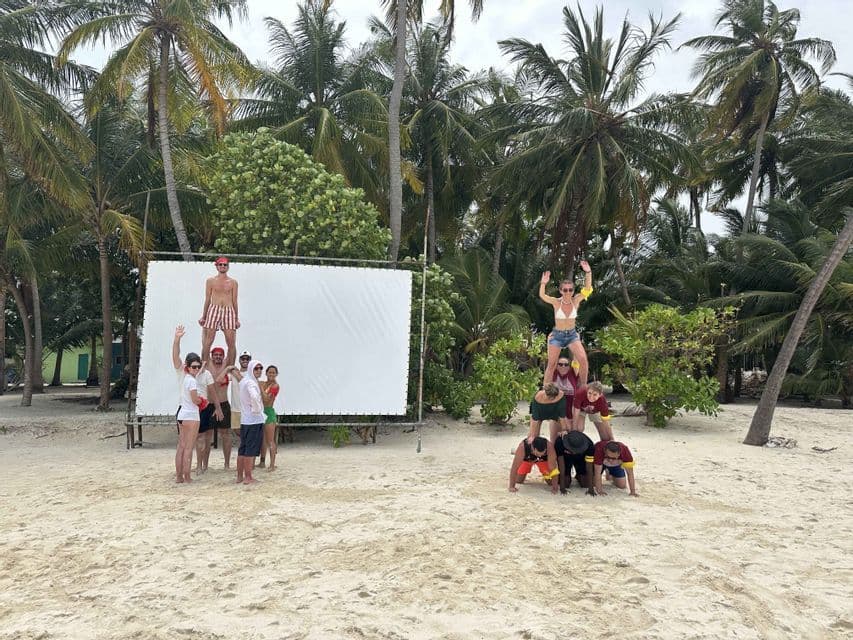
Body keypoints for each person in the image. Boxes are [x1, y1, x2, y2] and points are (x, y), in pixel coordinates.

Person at [539, 260, 593, 386]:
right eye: (565, 290)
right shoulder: (556, 302)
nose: (568, 292)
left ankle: (582, 388)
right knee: (552, 365)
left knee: (583, 361)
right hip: (557, 335)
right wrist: (543, 283)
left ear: (573, 291)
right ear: (561, 291)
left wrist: (588, 272)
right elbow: (542, 296)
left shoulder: (576, 300)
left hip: (572, 335)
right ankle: (546, 390)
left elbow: (588, 288)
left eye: (570, 290)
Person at [226, 359, 265, 484]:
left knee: (242, 449)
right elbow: (254, 396)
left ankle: (239, 476)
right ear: (251, 369)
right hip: (253, 421)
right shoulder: (251, 383)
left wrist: (233, 370)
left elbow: (238, 377)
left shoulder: (244, 381)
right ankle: (248, 477)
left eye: (260, 368)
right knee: (250, 449)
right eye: (256, 368)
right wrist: (257, 409)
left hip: (245, 420)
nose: (259, 370)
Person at [199, 256, 240, 366]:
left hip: (228, 310)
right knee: (208, 340)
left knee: (231, 342)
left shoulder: (233, 282)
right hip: (214, 309)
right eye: (221, 264)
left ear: (228, 266)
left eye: (225, 265)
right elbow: (207, 299)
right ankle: (204, 366)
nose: (223, 266)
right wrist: (204, 316)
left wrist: (236, 318)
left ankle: (230, 368)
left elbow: (234, 300)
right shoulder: (210, 281)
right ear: (217, 266)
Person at [174, 351, 206, 484]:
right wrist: (203, 401)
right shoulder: (192, 381)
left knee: (181, 446)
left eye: (198, 367)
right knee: (188, 448)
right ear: (188, 366)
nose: (197, 369)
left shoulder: (185, 378)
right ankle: (187, 476)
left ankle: (179, 476)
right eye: (194, 367)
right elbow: (195, 400)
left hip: (182, 414)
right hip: (191, 415)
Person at [205, 346, 232, 469]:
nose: (218, 357)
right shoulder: (207, 364)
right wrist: (206, 332)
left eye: (220, 355)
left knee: (225, 434)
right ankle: (204, 464)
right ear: (211, 356)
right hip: (209, 405)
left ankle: (226, 464)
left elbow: (232, 350)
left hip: (223, 403)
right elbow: (205, 348)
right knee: (207, 435)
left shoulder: (227, 365)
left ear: (223, 356)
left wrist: (231, 334)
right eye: (215, 354)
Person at [258, 365, 280, 471]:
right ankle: (262, 462)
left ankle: (272, 464)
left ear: (276, 374)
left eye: (273, 373)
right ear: (266, 373)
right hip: (260, 412)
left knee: (270, 440)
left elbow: (267, 400)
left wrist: (261, 390)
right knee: (262, 439)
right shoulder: (262, 383)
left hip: (268, 412)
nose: (271, 374)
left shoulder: (275, 386)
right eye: (269, 372)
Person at [224, 351, 252, 435]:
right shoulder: (233, 373)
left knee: (248, 432)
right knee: (237, 432)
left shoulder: (252, 374)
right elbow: (220, 379)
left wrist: (235, 373)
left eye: (247, 359)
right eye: (243, 358)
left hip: (248, 410)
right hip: (235, 408)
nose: (245, 360)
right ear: (239, 360)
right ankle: (244, 447)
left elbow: (244, 383)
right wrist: (228, 368)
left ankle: (246, 447)